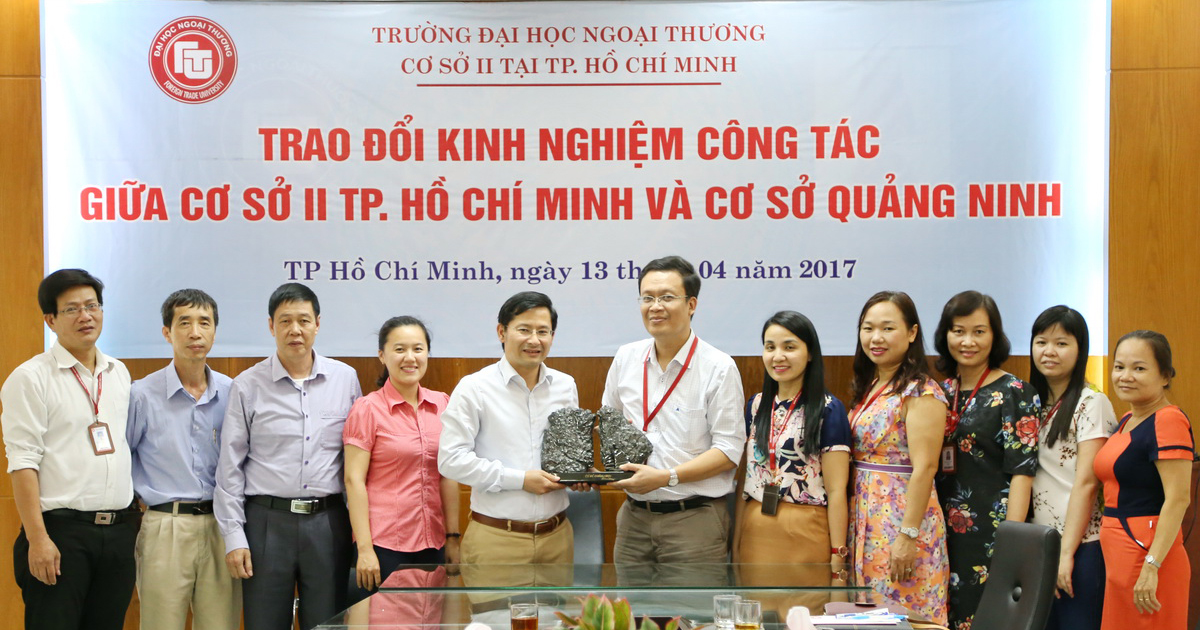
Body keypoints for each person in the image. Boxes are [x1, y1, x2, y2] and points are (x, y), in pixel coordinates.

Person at [214, 282, 362, 630]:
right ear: (271, 326)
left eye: (304, 320)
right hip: (266, 524)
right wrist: (234, 536)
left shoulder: (345, 379)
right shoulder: (248, 384)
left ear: (317, 324)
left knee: (327, 623)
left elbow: (356, 461)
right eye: (285, 321)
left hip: (327, 524)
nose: (295, 330)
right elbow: (230, 468)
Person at [1, 269, 139, 630]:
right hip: (61, 534)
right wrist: (38, 539)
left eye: (92, 306)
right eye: (72, 309)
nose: (85, 316)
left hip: (119, 532)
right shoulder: (31, 378)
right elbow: (22, 462)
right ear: (50, 319)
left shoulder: (118, 373)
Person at [603, 255, 746, 564]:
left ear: (691, 304)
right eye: (647, 298)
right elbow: (608, 425)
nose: (655, 307)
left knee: (691, 600)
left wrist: (665, 477)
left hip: (693, 520)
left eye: (667, 297)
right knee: (628, 598)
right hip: (633, 520)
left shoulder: (719, 367)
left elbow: (729, 450)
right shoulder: (625, 358)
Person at [438, 292, 579, 567]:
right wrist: (521, 480)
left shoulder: (565, 385)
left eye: (543, 331)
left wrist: (579, 476)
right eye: (524, 330)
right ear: (502, 332)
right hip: (497, 539)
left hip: (558, 538)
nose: (534, 340)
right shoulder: (474, 388)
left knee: (561, 601)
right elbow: (451, 461)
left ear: (552, 336)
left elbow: (568, 454)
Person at [127, 289, 241, 630]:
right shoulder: (142, 394)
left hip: (221, 525)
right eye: (184, 323)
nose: (195, 332)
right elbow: (123, 458)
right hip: (166, 526)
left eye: (204, 323)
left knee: (221, 625)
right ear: (167, 332)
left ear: (215, 331)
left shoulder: (232, 392)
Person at [933, 290, 1040, 630]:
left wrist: (1011, 541)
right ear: (945, 335)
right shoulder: (937, 392)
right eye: (958, 331)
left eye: (979, 331)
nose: (968, 341)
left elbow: (1023, 471)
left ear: (995, 336)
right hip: (938, 530)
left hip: (991, 533)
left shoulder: (1015, 392)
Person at [848, 290, 949, 625]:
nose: (876, 338)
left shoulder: (921, 391)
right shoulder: (871, 386)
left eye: (888, 328)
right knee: (870, 617)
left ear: (912, 332)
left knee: (908, 616)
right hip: (865, 520)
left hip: (901, 523)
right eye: (868, 328)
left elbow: (926, 468)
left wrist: (907, 536)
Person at [344, 316, 460, 604]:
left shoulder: (442, 404)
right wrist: (365, 549)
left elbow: (448, 475)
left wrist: (453, 537)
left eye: (418, 349)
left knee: (431, 619)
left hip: (433, 542)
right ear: (382, 355)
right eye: (399, 349)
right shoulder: (367, 409)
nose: (410, 358)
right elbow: (353, 480)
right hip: (384, 545)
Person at [733, 311, 851, 572]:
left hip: (805, 531)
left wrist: (838, 554)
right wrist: (736, 541)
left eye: (789, 347)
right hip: (756, 528)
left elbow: (836, 491)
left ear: (810, 354)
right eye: (770, 347)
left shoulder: (828, 409)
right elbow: (745, 477)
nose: (778, 357)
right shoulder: (756, 406)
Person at [1095, 330, 1193, 630]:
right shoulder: (1128, 419)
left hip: (1147, 552)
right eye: (1119, 366)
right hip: (1120, 550)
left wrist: (1152, 565)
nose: (1125, 376)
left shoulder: (1168, 419)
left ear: (1165, 376)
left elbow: (1179, 498)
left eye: (1139, 368)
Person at [1027, 306, 1117, 630]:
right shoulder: (1031, 402)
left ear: (1080, 350)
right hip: (1038, 543)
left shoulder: (1091, 402)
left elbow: (1087, 484)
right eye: (1041, 342)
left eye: (1062, 343)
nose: (1049, 351)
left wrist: (1066, 554)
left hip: (1081, 545)